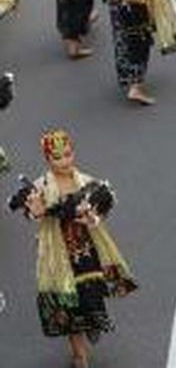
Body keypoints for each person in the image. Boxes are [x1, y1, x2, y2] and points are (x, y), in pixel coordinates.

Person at [18, 130, 136, 368]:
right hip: (57, 254)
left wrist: (92, 217)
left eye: (68, 154)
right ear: (48, 160)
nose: (64, 161)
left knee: (88, 297)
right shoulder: (41, 186)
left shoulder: (86, 181)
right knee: (68, 304)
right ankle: (80, 356)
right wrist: (35, 210)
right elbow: (31, 213)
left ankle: (88, 330)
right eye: (57, 157)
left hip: (86, 250)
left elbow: (102, 209)